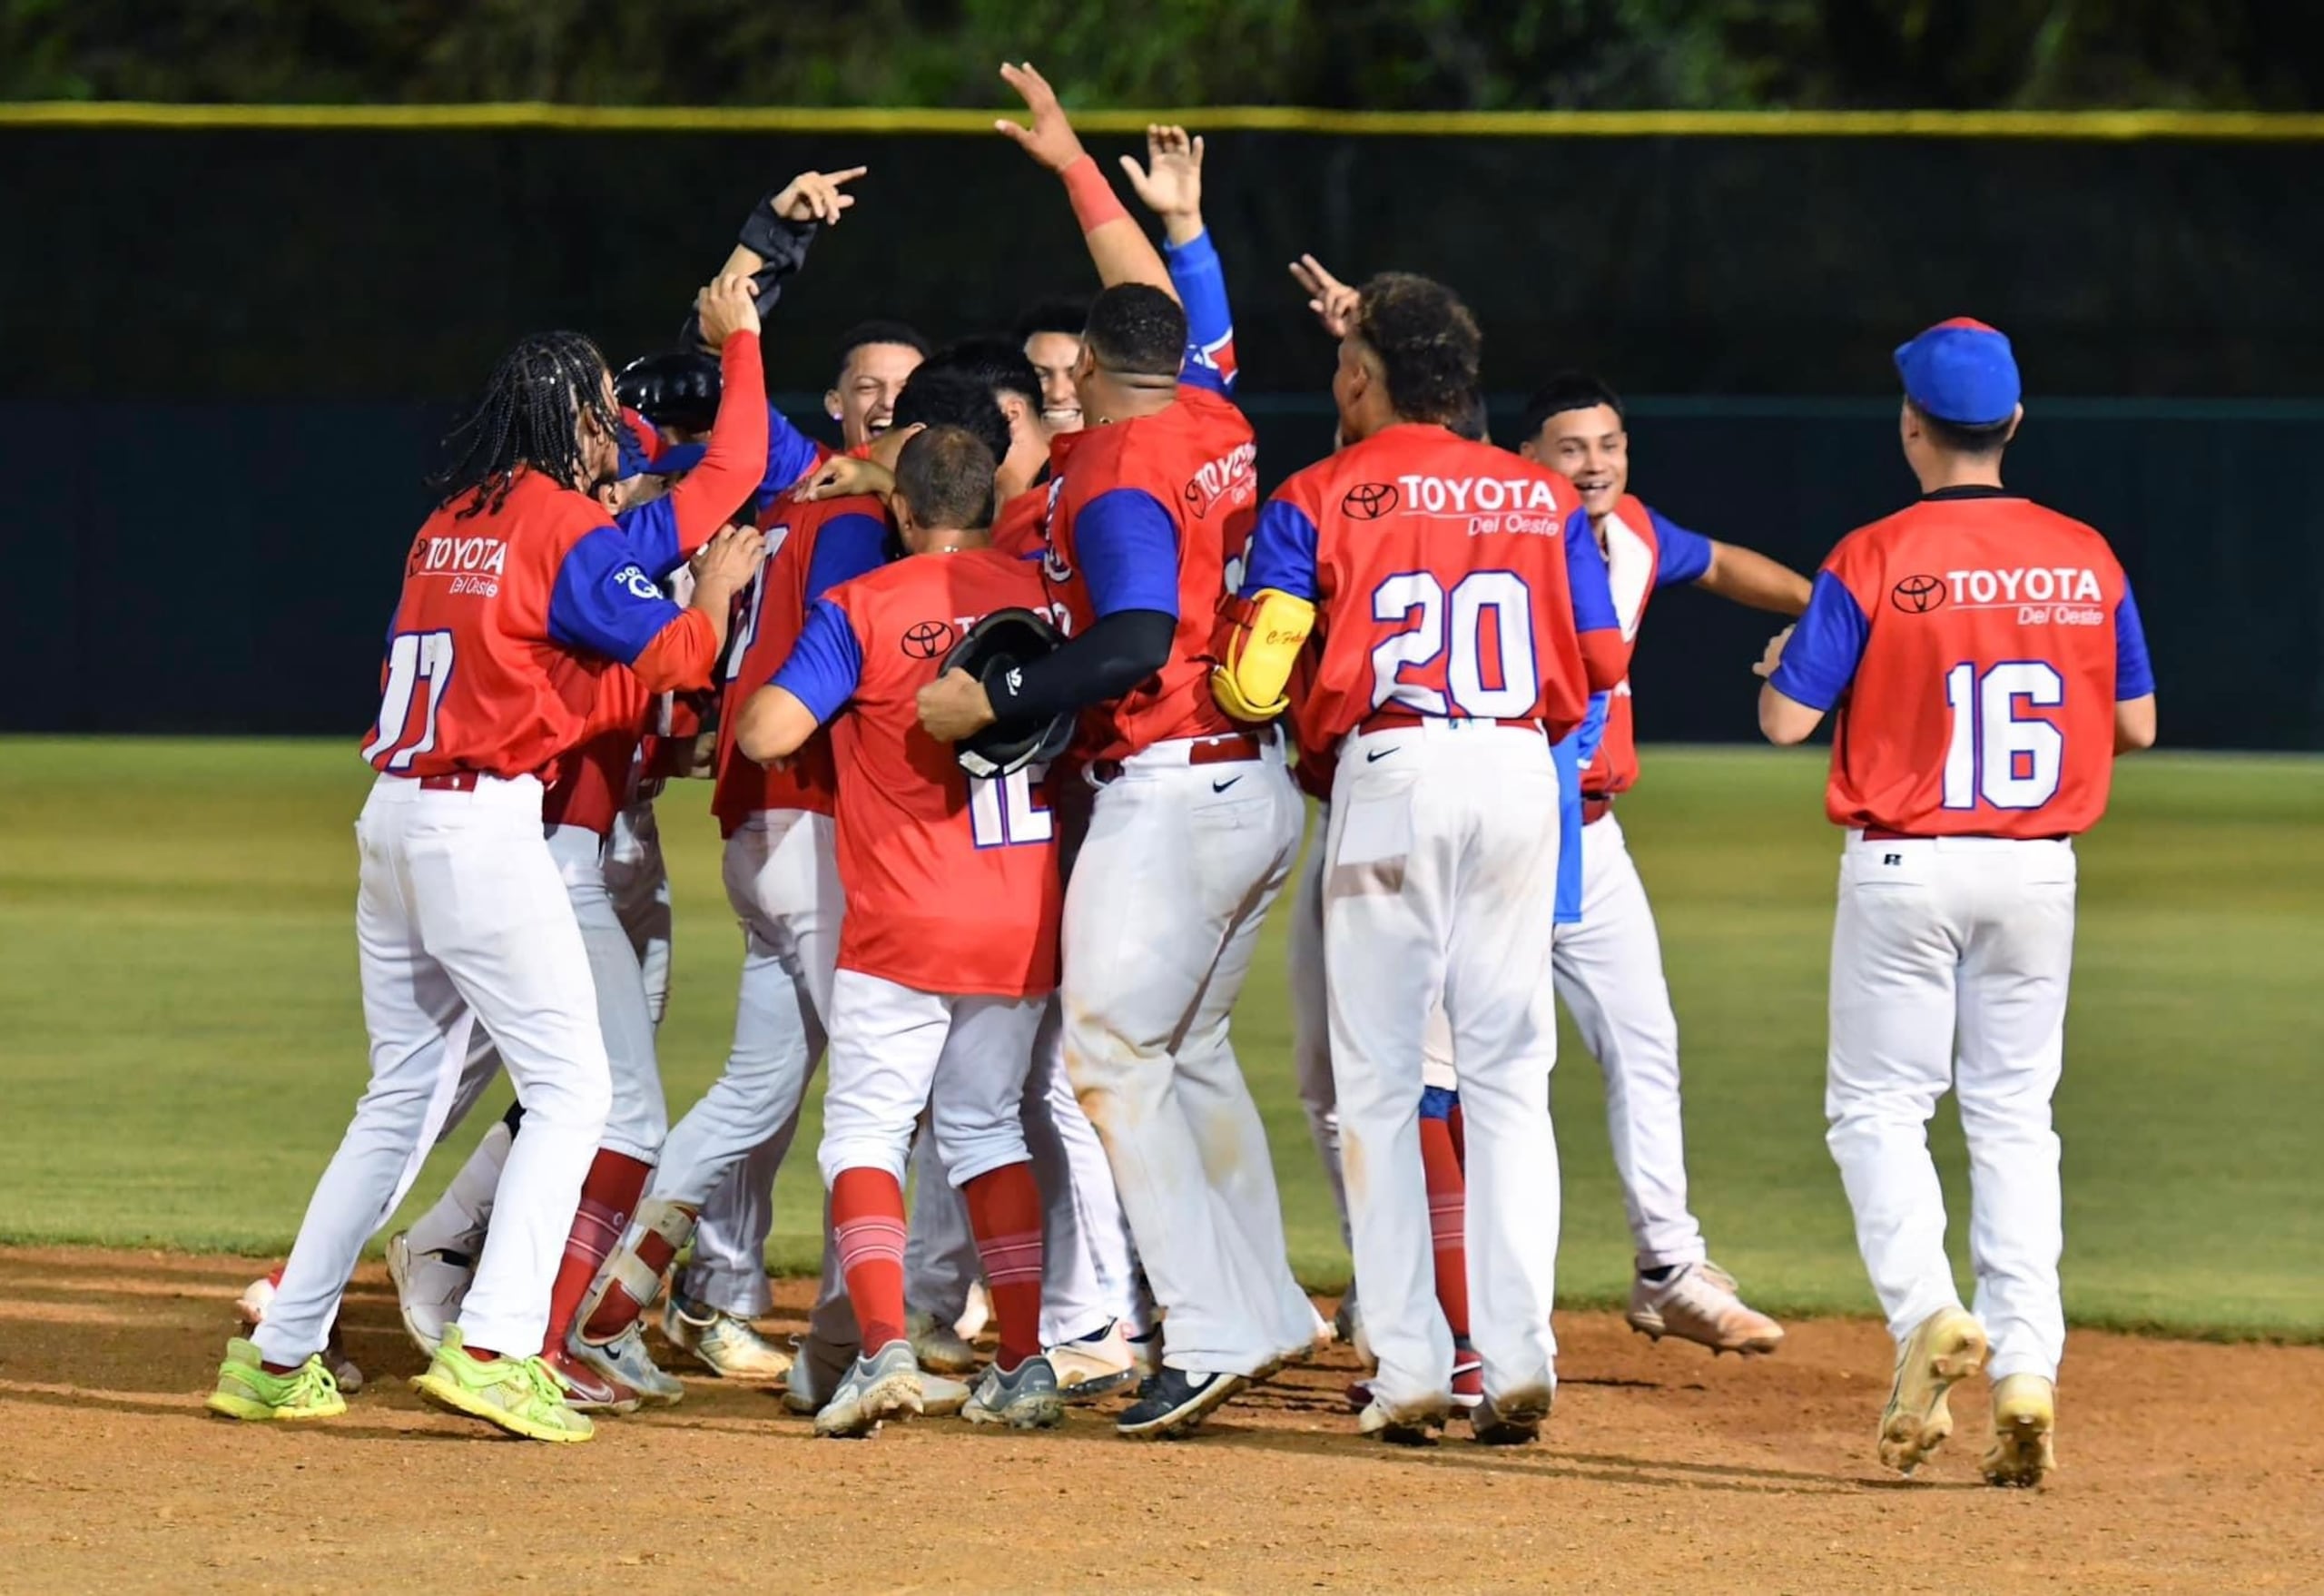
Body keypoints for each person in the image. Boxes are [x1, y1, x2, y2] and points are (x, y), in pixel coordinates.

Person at [204, 286, 766, 1443]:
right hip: (481, 828)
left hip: (394, 818)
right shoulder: (562, 526)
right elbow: (674, 655)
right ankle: (499, 1347)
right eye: (603, 410)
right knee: (577, 1093)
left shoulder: (448, 520)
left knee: (396, 1101)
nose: (617, 428)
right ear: (573, 421)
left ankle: (278, 1354)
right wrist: (713, 597)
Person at [1216, 271, 1625, 1446]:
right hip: (1517, 769)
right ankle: (1520, 1352)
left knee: (1382, 1082)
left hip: (1391, 769)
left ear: (1362, 377)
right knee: (1510, 1075)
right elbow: (1600, 661)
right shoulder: (1541, 496)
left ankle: (1410, 1364)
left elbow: (1255, 672)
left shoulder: (1317, 493)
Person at [1755, 317, 2156, 1487]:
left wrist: (1790, 667)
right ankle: (2025, 1366)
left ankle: (1927, 1310)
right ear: (2013, 422)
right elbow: (2134, 724)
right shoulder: (2085, 556)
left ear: (1909, 426)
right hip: (2036, 869)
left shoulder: (1873, 554)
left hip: (1905, 865)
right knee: (2014, 1119)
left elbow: (1785, 721)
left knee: (1878, 1111)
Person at [568, 369, 1016, 1408]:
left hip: (757, 826)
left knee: (757, 1089)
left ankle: (603, 1309)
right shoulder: (859, 527)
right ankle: (857, 1347)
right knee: (884, 1104)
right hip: (816, 824)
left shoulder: (799, 506)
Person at [734, 426, 1069, 1436]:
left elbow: (767, 732)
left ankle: (882, 1348)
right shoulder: (1047, 598)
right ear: (991, 505)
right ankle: (1022, 1361)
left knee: (866, 1133)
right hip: (1019, 915)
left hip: (904, 916)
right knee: (986, 1129)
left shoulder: (863, 603)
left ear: (899, 510)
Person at [1512, 370, 1808, 1354]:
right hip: (1499, 832)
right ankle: (1439, 1290)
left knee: (1645, 1044)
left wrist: (1827, 611)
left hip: (1593, 837)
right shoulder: (1500, 535)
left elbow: (1718, 564)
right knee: (1485, 1068)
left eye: (1609, 444)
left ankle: (1668, 1268)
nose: (1593, 464)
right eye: (1570, 447)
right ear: (1525, 457)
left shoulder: (1634, 534)